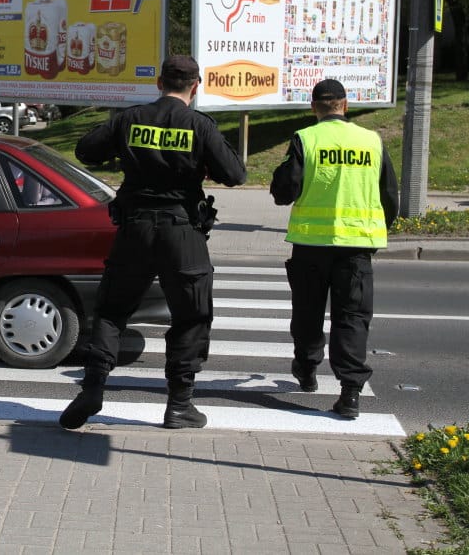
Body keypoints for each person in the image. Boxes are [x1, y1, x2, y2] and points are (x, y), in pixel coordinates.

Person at [60, 55, 247, 431]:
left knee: (113, 312)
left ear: (159, 82)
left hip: (135, 230)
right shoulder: (199, 125)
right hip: (182, 232)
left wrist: (122, 149)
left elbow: (86, 151)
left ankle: (92, 388)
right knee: (190, 316)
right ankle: (179, 405)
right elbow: (235, 174)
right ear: (196, 85)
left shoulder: (129, 119)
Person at [270, 78, 398, 419]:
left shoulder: (306, 139)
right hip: (357, 247)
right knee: (352, 317)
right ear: (346, 104)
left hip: (312, 244)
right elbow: (390, 194)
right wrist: (378, 229)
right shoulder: (371, 140)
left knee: (308, 312)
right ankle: (350, 393)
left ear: (314, 107)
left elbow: (285, 190)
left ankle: (307, 370)